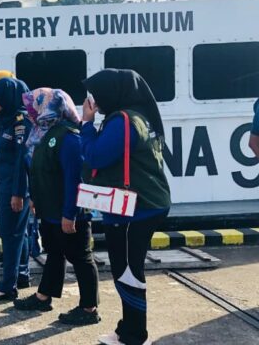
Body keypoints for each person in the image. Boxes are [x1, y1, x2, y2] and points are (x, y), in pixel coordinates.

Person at [81, 69, 171, 345]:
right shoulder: (137, 116)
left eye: (96, 95)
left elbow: (95, 156)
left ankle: (135, 335)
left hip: (136, 207)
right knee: (124, 268)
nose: (94, 101)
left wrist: (86, 124)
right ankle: (126, 328)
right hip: (137, 204)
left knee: (129, 271)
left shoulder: (123, 121)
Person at [13, 88, 101, 326]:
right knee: (54, 252)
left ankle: (89, 308)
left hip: (69, 212)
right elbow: (41, 172)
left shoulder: (70, 137)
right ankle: (44, 296)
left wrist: (69, 214)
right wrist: (35, 199)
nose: (32, 109)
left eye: (37, 104)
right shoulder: (45, 133)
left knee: (81, 258)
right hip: (50, 210)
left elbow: (74, 179)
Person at [0, 77, 32, 301]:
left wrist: (18, 193)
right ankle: (20, 274)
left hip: (13, 186)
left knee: (10, 234)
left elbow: (22, 159)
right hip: (5, 182)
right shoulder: (6, 118)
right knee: (16, 232)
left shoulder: (21, 122)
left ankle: (7, 286)